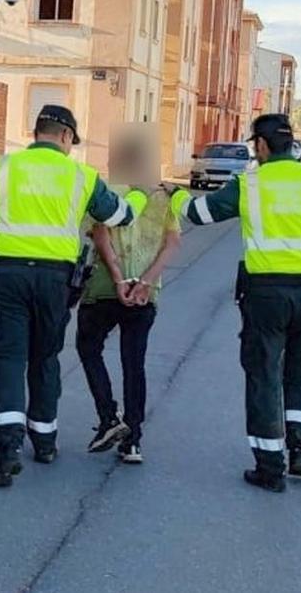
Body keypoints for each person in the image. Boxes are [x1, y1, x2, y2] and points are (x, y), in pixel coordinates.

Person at [170, 113, 301, 492]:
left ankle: (269, 466)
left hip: (266, 297)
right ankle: (300, 450)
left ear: (261, 146)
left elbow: (200, 213)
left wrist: (175, 195)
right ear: (291, 144)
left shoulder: (250, 185)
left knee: (263, 374)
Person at [0, 105, 148, 488]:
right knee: (45, 358)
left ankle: (8, 450)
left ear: (38, 133)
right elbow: (119, 216)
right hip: (55, 281)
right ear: (65, 137)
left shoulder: (3, 167)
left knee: (9, 358)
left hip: (7, 276)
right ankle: (44, 442)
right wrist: (140, 200)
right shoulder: (80, 176)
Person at [77, 180, 182, 465]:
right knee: (134, 363)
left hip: (103, 289)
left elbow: (100, 233)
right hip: (145, 294)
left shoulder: (106, 191)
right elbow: (173, 242)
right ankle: (133, 441)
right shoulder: (163, 197)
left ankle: (109, 417)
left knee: (88, 348)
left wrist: (118, 278)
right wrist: (145, 281)